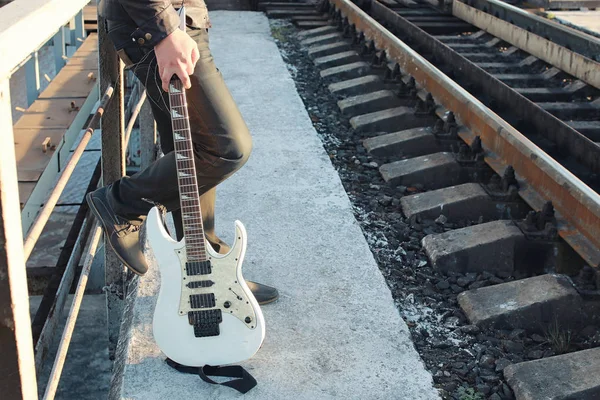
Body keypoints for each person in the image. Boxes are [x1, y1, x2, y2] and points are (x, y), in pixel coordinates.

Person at [89, 0, 278, 304]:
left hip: (181, 21)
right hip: (159, 26)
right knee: (226, 148)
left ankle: (208, 268)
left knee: (189, 150)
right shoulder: (163, 31)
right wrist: (163, 32)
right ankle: (122, 203)